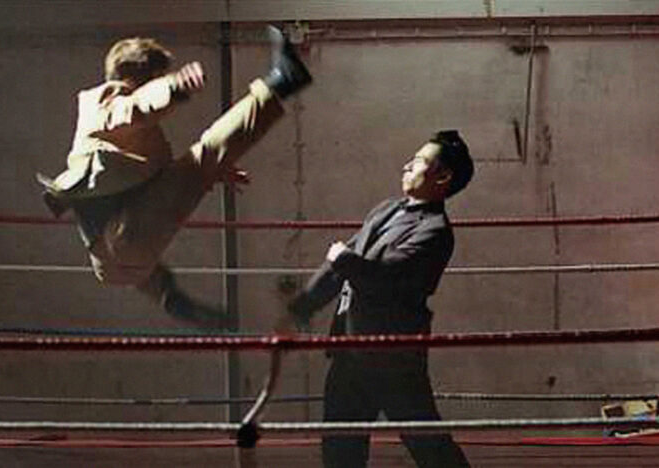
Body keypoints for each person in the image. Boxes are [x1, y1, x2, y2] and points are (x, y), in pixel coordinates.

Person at [38, 27, 311, 329]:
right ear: (139, 76)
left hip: (115, 261)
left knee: (197, 167)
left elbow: (151, 178)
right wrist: (174, 86)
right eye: (156, 76)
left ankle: (173, 300)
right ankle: (282, 81)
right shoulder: (106, 99)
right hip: (124, 239)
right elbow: (136, 106)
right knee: (204, 154)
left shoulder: (121, 141)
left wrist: (210, 174)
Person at [283, 130, 474, 467]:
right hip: (350, 349)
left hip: (392, 358)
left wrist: (343, 259)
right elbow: (340, 266)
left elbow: (385, 279)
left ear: (443, 176)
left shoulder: (435, 231)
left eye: (418, 161)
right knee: (340, 450)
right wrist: (301, 308)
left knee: (430, 447)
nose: (406, 166)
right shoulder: (387, 209)